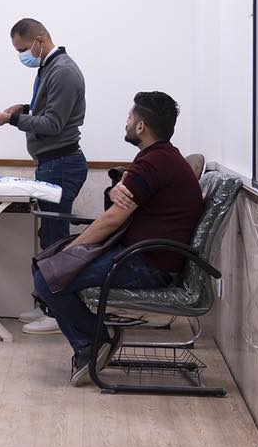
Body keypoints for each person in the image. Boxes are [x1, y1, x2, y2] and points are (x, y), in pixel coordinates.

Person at [34, 92, 203, 386]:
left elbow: (113, 218)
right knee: (46, 265)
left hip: (148, 264)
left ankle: (93, 341)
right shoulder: (162, 157)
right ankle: (93, 338)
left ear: (141, 126)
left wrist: (72, 250)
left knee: (48, 279)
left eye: (129, 117)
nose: (126, 122)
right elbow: (124, 198)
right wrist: (115, 190)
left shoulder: (153, 163)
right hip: (144, 255)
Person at [0, 18, 87, 335]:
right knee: (49, 237)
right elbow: (47, 109)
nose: (22, 56)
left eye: (23, 49)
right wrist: (21, 109)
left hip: (61, 164)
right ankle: (48, 305)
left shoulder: (63, 71)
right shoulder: (48, 68)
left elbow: (53, 124)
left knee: (55, 241)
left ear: (40, 40)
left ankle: (59, 314)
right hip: (52, 163)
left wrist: (13, 119)